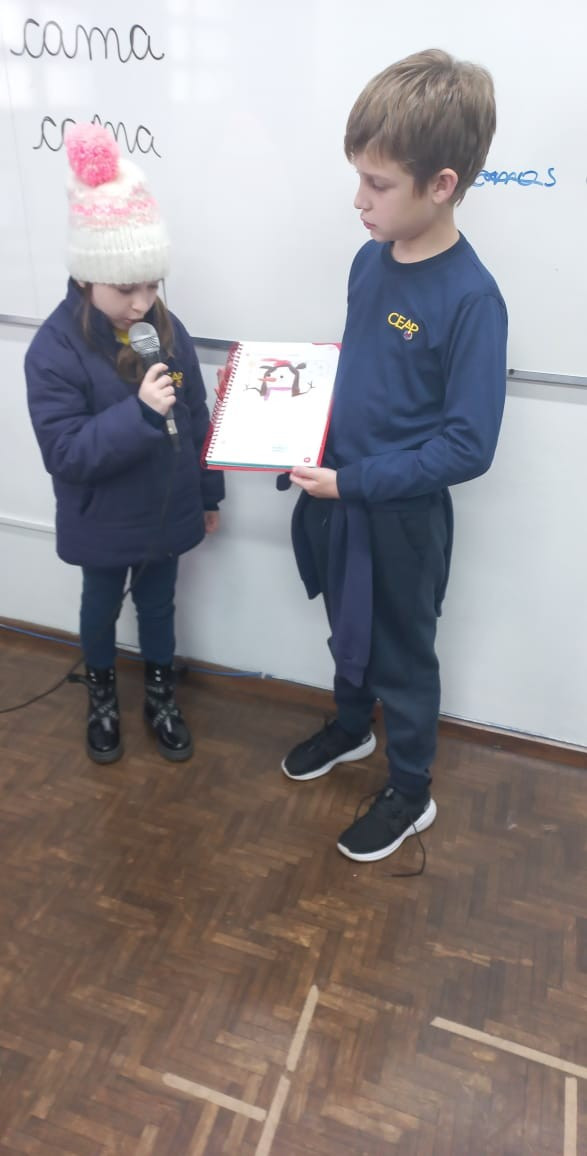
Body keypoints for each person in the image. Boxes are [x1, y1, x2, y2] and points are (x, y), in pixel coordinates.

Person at [282, 50, 507, 863]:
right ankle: (352, 727)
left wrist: (356, 480)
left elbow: (467, 445)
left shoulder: (471, 299)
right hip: (337, 495)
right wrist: (302, 428)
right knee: (346, 626)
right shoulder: (368, 260)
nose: (359, 200)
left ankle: (411, 789)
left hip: (400, 518)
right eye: (358, 178)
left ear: (440, 184)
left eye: (377, 184)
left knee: (403, 654)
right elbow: (363, 373)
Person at [26, 123, 224, 765]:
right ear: (88, 277)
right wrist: (138, 415)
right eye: (125, 288)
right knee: (101, 604)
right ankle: (103, 696)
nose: (142, 304)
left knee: (160, 604)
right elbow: (65, 452)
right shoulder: (53, 350)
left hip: (167, 504)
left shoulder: (167, 329)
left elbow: (195, 414)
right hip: (104, 516)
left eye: (152, 285)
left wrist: (209, 492)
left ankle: (161, 695)